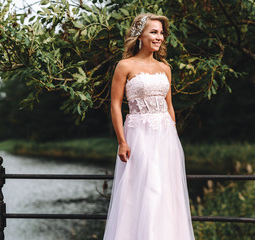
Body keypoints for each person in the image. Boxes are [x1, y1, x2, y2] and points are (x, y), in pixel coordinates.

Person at [103, 13, 195, 240]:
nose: (160, 37)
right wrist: (122, 141)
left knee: (164, 192)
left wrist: (172, 135)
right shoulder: (124, 66)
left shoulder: (165, 68)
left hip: (165, 136)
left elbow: (169, 106)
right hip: (138, 135)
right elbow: (115, 105)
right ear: (139, 36)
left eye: (161, 33)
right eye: (154, 32)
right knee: (143, 191)